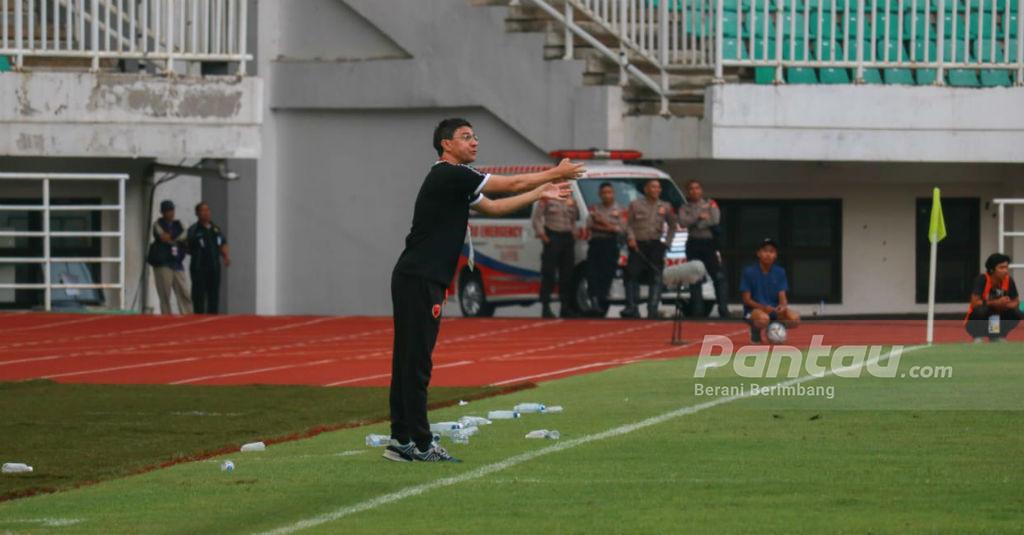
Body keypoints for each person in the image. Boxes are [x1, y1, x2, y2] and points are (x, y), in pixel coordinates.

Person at [386, 118, 584, 463]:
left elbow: (492, 206)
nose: (474, 142)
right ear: (446, 145)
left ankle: (401, 439)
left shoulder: (455, 181)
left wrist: (539, 193)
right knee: (416, 363)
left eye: (475, 136)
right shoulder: (450, 174)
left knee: (408, 360)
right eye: (466, 137)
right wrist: (554, 173)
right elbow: (510, 184)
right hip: (420, 277)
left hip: (416, 276)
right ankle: (419, 443)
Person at [622, 179, 677, 320]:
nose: (656, 190)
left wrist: (667, 243)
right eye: (653, 187)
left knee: (656, 277)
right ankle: (632, 307)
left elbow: (673, 226)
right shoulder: (635, 204)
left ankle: (652, 308)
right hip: (638, 244)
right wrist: (631, 238)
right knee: (631, 275)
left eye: (658, 187)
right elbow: (628, 224)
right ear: (646, 189)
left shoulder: (665, 206)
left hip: (656, 245)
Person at [678, 179, 730, 319]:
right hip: (693, 243)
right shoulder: (685, 207)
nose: (694, 191)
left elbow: (715, 219)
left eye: (697, 188)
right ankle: (697, 311)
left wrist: (698, 224)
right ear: (687, 191)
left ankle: (723, 309)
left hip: (709, 243)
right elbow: (683, 222)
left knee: (718, 277)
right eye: (691, 189)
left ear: (701, 190)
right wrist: (698, 216)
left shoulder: (710, 203)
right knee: (695, 279)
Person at [740, 238, 800, 343]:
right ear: (758, 253)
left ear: (775, 255)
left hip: (773, 310)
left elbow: (782, 297)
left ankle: (775, 327)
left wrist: (783, 306)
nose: (768, 254)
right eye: (765, 251)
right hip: (754, 311)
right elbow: (746, 299)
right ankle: (755, 332)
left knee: (795, 319)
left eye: (771, 251)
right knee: (763, 319)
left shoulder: (780, 272)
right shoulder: (749, 272)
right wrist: (763, 307)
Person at [532, 193, 579, 318]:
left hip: (567, 237)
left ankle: (565, 307)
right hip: (552, 236)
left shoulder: (571, 199)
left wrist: (574, 234)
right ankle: (545, 307)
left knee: (567, 273)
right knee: (549, 273)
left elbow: (574, 218)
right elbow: (537, 218)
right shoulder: (547, 197)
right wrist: (544, 236)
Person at [585, 182, 625, 315]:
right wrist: (610, 228)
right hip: (596, 243)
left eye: (609, 192)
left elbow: (621, 229)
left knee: (607, 274)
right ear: (599, 194)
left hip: (611, 245)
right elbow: (590, 225)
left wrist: (602, 223)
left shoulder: (620, 209)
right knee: (592, 274)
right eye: (604, 193)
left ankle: (603, 302)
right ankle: (594, 301)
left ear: (613, 194)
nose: (607, 195)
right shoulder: (595, 209)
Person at [964, 253, 1021, 342]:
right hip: (977, 320)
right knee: (981, 310)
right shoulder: (982, 279)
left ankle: (998, 336)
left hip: (997, 318)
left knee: (1017, 313)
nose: (1005, 271)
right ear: (991, 270)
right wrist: (995, 303)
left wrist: (1004, 305)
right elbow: (974, 303)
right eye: (1001, 268)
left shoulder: (1009, 280)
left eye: (1006, 267)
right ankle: (978, 337)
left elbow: (1016, 302)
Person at [187, 202, 231, 314]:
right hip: (199, 267)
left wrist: (226, 256)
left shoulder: (215, 229)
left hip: (214, 266)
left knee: (214, 294)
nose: (206, 213)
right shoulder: (194, 230)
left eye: (208, 210)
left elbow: (222, 243)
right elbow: (187, 246)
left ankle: (213, 318)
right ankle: (198, 318)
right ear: (197, 213)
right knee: (199, 295)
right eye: (203, 210)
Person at [151, 200, 192, 315]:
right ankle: (166, 317)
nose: (170, 213)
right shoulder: (157, 224)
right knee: (165, 294)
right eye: (167, 211)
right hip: (163, 263)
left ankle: (188, 316)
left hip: (177, 262)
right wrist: (176, 238)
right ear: (162, 212)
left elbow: (184, 234)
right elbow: (162, 237)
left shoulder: (178, 224)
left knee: (184, 292)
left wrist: (172, 237)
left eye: (172, 210)